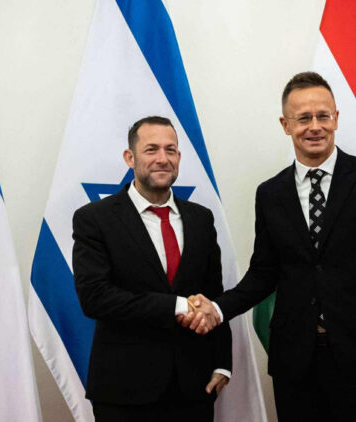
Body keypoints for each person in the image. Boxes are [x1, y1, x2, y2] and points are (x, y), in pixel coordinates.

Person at [182, 72, 356, 421]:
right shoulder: (270, 194)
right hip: (294, 363)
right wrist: (217, 308)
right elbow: (263, 274)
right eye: (303, 118)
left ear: (336, 118)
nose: (315, 127)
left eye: (323, 116)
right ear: (285, 125)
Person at [73, 116, 231, 421]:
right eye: (151, 149)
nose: (162, 158)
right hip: (123, 392)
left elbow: (213, 296)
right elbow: (95, 298)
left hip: (194, 388)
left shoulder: (201, 218)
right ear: (129, 158)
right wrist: (177, 305)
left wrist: (222, 363)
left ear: (179, 157)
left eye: (170, 150)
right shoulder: (95, 219)